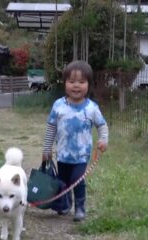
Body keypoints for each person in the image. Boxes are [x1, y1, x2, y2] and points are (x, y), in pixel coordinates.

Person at [42, 60, 109, 222]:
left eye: (81, 82)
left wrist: (103, 140)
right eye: (71, 82)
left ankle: (80, 207)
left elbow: (102, 125)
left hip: (81, 155)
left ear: (88, 84)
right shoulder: (58, 105)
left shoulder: (91, 108)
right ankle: (65, 205)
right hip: (63, 154)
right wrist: (46, 149)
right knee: (63, 182)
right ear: (65, 83)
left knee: (77, 181)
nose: (76, 86)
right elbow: (51, 128)